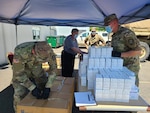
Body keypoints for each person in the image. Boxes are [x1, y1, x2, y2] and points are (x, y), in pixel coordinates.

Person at [12, 41, 57, 111]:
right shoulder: (20, 52)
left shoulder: (48, 51)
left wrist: (48, 86)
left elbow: (53, 68)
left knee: (43, 84)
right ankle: (19, 110)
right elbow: (19, 74)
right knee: (20, 93)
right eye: (41, 59)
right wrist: (32, 88)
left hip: (36, 67)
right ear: (33, 52)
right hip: (23, 70)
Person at [104, 14, 141, 86]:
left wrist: (120, 54)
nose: (106, 27)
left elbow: (138, 51)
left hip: (130, 67)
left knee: (131, 91)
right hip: (120, 66)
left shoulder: (126, 33)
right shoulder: (115, 35)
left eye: (107, 24)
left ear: (115, 22)